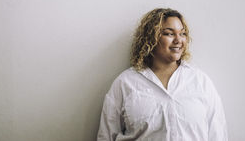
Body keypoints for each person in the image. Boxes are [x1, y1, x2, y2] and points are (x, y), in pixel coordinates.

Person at [97, 8, 228, 141]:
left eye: (182, 33)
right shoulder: (125, 83)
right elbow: (106, 136)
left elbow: (218, 134)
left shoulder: (200, 81)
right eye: (169, 34)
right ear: (151, 38)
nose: (178, 40)